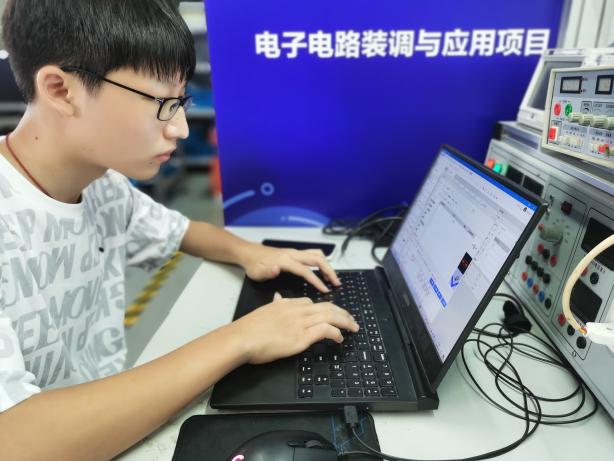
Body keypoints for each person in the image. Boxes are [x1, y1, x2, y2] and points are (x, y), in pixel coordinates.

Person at [0, 1, 359, 459]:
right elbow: (16, 440)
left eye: (182, 101)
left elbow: (184, 231)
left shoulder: (103, 187)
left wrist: (252, 253)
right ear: (60, 89)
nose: (181, 128)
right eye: (163, 104)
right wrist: (241, 339)